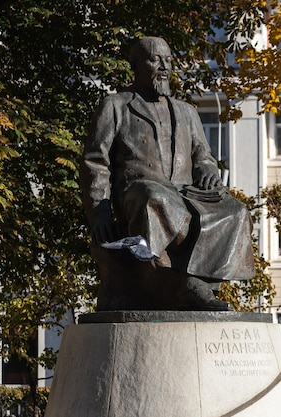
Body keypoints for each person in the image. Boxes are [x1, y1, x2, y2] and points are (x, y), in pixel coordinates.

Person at [80, 37, 255, 311]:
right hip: (138, 193)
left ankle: (198, 282)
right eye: (155, 59)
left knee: (235, 210)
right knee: (155, 198)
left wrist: (209, 172)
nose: (164, 67)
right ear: (135, 66)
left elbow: (203, 156)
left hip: (186, 194)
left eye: (168, 60)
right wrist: (100, 214)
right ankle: (172, 283)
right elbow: (95, 162)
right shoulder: (115, 105)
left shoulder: (186, 111)